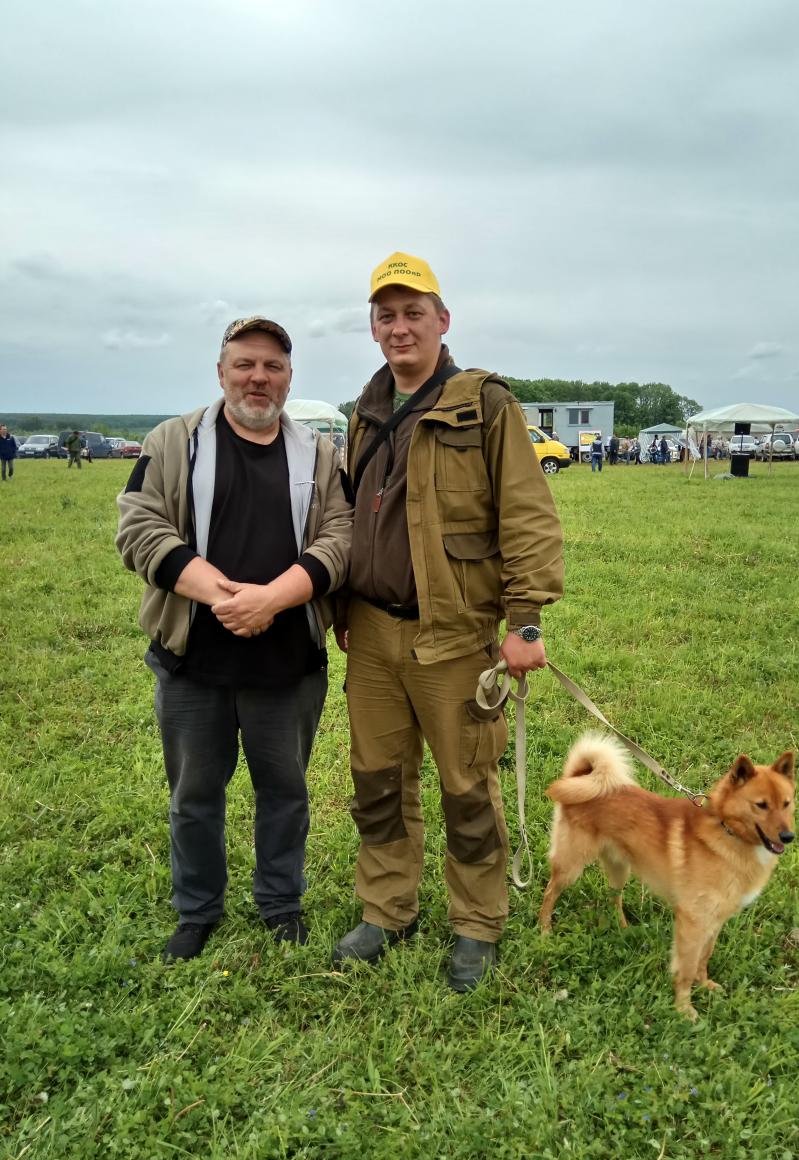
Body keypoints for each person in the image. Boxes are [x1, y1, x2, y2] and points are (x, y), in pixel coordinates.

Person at [332, 252, 564, 990]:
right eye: (386, 315)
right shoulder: (364, 412)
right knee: (377, 783)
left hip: (455, 634)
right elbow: (349, 515)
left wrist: (525, 622)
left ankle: (476, 925)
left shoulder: (486, 404)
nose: (400, 327)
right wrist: (338, 606)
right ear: (373, 328)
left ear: (443, 320)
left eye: (414, 313)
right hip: (370, 633)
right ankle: (387, 910)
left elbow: (528, 513)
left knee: (467, 789)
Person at [116, 316, 353, 961]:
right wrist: (226, 598)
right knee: (194, 796)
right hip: (194, 661)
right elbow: (138, 526)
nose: (258, 378)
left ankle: (281, 904)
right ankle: (198, 911)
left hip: (288, 661)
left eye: (273, 366)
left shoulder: (319, 453)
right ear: (221, 372)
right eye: (245, 364)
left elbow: (342, 535)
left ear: (289, 378)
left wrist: (271, 600)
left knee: (285, 793)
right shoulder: (173, 442)